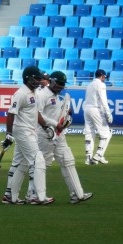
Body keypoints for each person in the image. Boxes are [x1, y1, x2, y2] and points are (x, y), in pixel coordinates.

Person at [36, 71, 93, 204]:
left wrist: (67, 114)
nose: (61, 86)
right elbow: (37, 114)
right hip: (45, 134)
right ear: (52, 81)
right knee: (43, 164)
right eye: (59, 84)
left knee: (68, 160)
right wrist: (56, 124)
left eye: (63, 84)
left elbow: (60, 112)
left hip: (59, 134)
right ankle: (33, 195)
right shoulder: (42, 94)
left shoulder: (60, 96)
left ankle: (77, 194)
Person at [1, 66, 55, 205]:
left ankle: (10, 197)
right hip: (23, 131)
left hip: (31, 131)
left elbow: (36, 113)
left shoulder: (34, 93)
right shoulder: (21, 94)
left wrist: (45, 126)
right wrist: (8, 134)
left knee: (21, 163)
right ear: (28, 78)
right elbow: (11, 113)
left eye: (39, 78)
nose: (39, 81)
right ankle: (38, 196)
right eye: (36, 78)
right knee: (38, 160)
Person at [84, 69, 113, 165]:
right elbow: (104, 100)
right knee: (106, 133)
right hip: (96, 109)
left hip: (87, 109)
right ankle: (98, 156)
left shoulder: (89, 84)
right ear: (102, 76)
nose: (105, 78)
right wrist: (108, 113)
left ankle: (88, 158)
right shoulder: (101, 85)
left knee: (89, 133)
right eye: (104, 77)